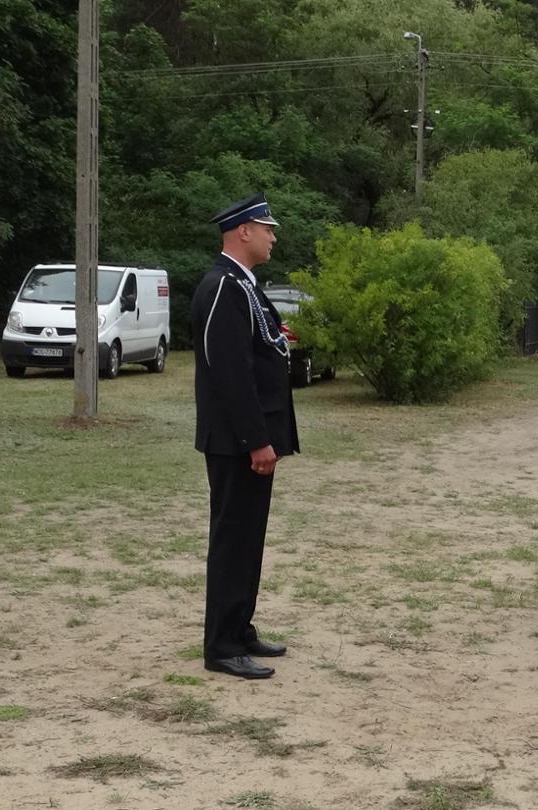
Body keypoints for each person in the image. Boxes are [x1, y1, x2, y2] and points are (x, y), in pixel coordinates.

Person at [193, 192, 300, 680]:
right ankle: (221, 645)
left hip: (252, 438)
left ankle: (240, 627)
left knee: (249, 537)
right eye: (267, 228)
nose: (273, 237)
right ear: (244, 232)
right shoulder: (222, 286)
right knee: (233, 538)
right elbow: (229, 372)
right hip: (236, 442)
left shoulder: (243, 285)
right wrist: (256, 440)